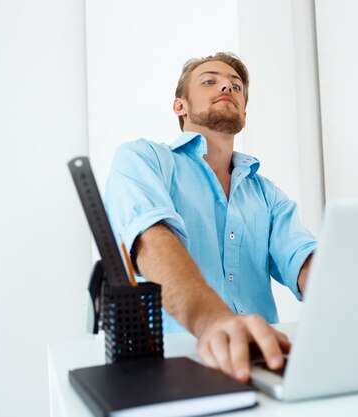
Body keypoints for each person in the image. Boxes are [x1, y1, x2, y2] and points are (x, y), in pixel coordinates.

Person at [105, 52, 317, 383]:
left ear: (244, 115)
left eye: (236, 86)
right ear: (180, 106)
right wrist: (213, 322)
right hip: (176, 366)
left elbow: (305, 262)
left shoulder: (267, 194)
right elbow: (151, 242)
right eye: (209, 81)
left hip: (265, 363)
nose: (226, 87)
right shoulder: (143, 159)